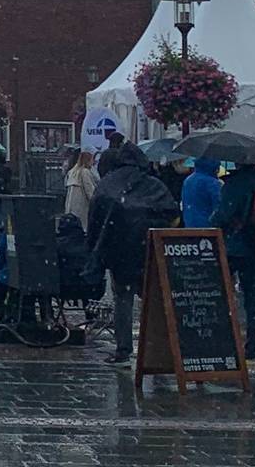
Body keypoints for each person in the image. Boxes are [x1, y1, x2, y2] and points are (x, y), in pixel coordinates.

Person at [88, 143, 178, 365]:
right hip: (149, 251)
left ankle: (123, 350)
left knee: (123, 299)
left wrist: (95, 251)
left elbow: (95, 219)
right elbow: (173, 214)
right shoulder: (153, 185)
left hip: (120, 253)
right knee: (154, 300)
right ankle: (162, 348)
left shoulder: (108, 184)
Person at [216, 162, 255, 359]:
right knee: (251, 293)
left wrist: (213, 221)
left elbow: (222, 215)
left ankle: (223, 337)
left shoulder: (233, 185)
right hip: (253, 243)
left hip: (233, 244)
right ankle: (252, 340)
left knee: (223, 291)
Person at [61, 150, 99, 234]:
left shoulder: (72, 172)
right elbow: (90, 192)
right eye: (92, 160)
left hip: (71, 207)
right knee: (82, 228)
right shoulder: (85, 172)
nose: (93, 162)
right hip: (81, 207)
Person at [181, 158, 224, 231]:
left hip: (189, 225)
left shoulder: (188, 180)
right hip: (208, 227)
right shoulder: (213, 183)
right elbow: (219, 207)